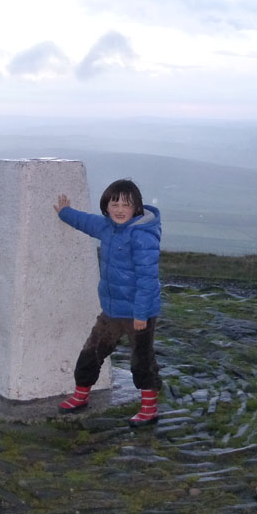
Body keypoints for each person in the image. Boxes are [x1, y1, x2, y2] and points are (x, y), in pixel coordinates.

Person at [54, 179, 163, 427]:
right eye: (115, 202)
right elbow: (85, 221)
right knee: (91, 352)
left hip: (139, 313)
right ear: (107, 205)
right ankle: (81, 396)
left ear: (137, 207)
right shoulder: (107, 227)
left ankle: (149, 408)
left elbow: (147, 279)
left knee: (141, 360)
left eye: (126, 203)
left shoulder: (142, 235)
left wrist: (141, 314)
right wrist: (64, 212)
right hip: (112, 310)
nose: (119, 208)